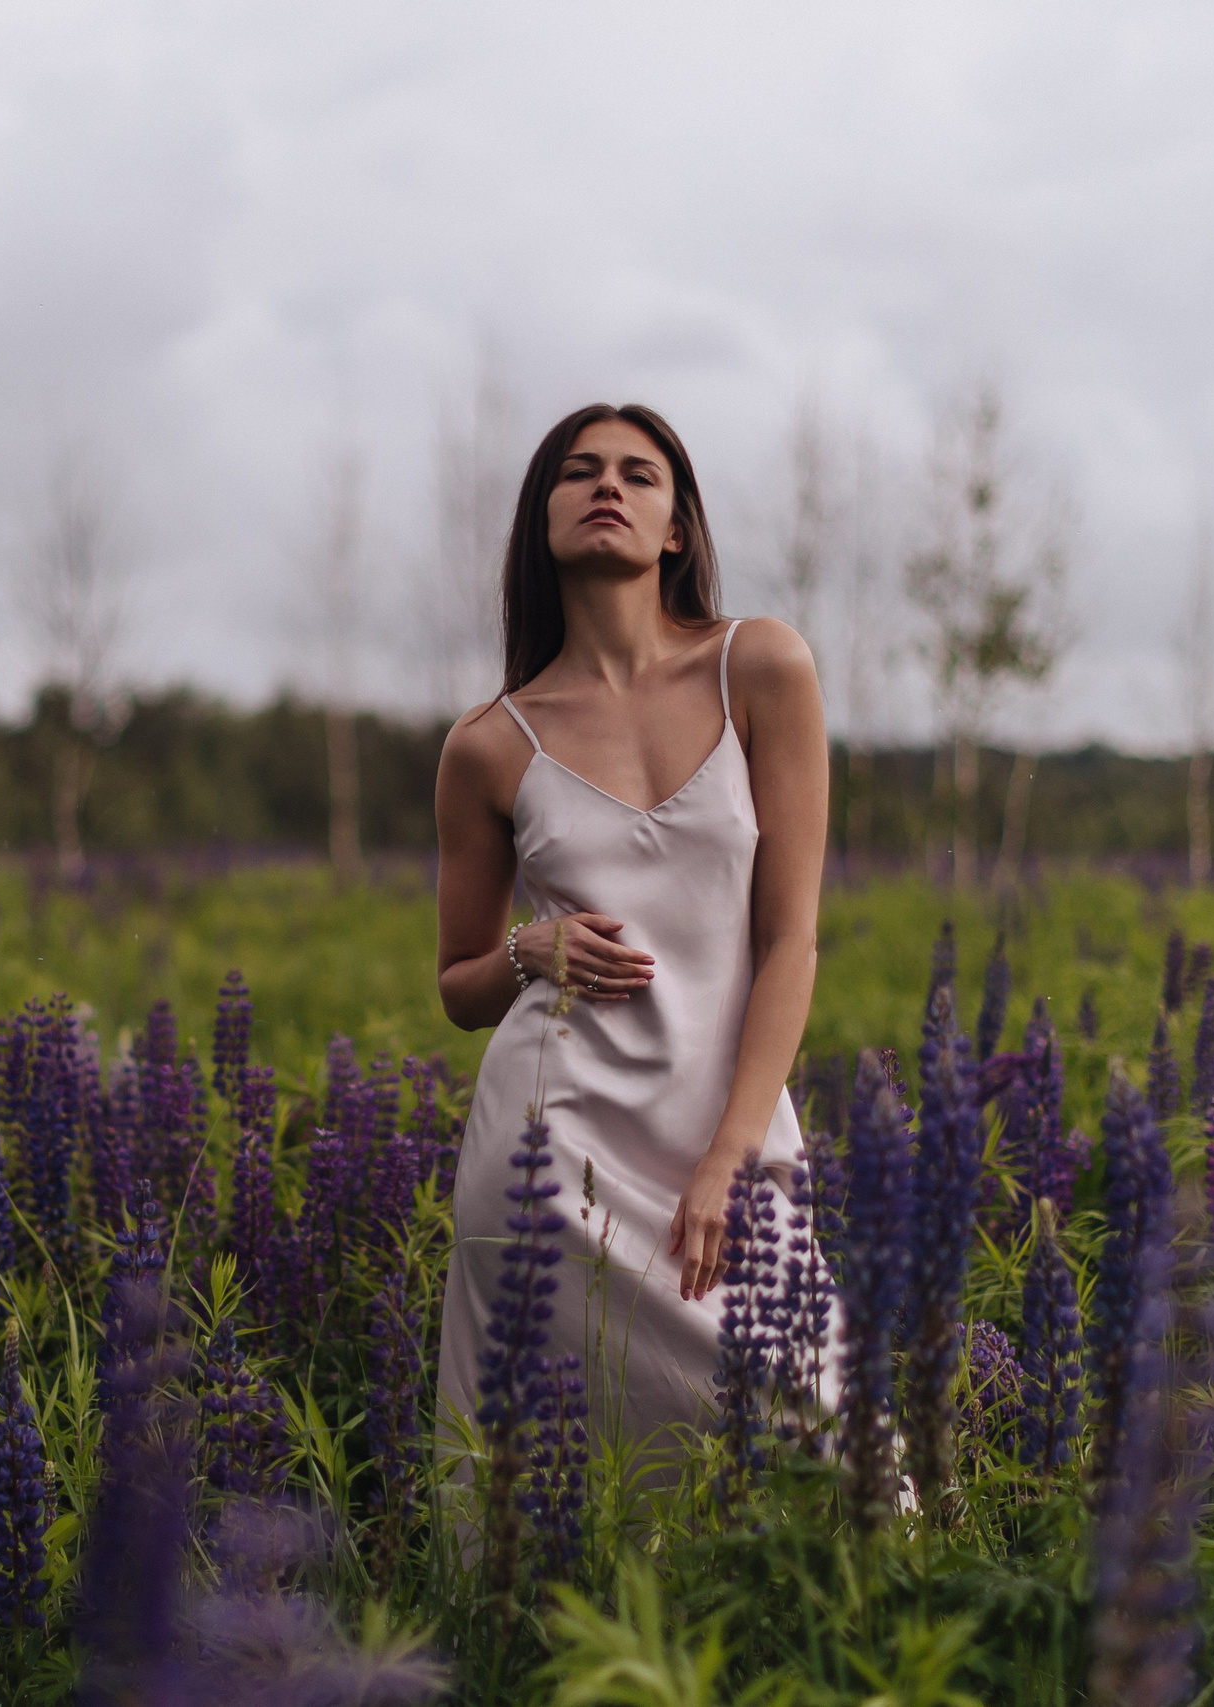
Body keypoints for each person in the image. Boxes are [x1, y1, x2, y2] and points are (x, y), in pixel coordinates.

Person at [432, 402, 832, 1455]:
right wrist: (530, 952)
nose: (606, 484)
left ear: (675, 532)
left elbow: (791, 940)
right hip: (548, 1158)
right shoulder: (486, 744)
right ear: (541, 521)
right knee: (547, 1485)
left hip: (725, 1134)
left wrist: (731, 1158)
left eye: (638, 473)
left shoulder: (762, 666)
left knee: (834, 1457)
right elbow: (458, 986)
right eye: (578, 471)